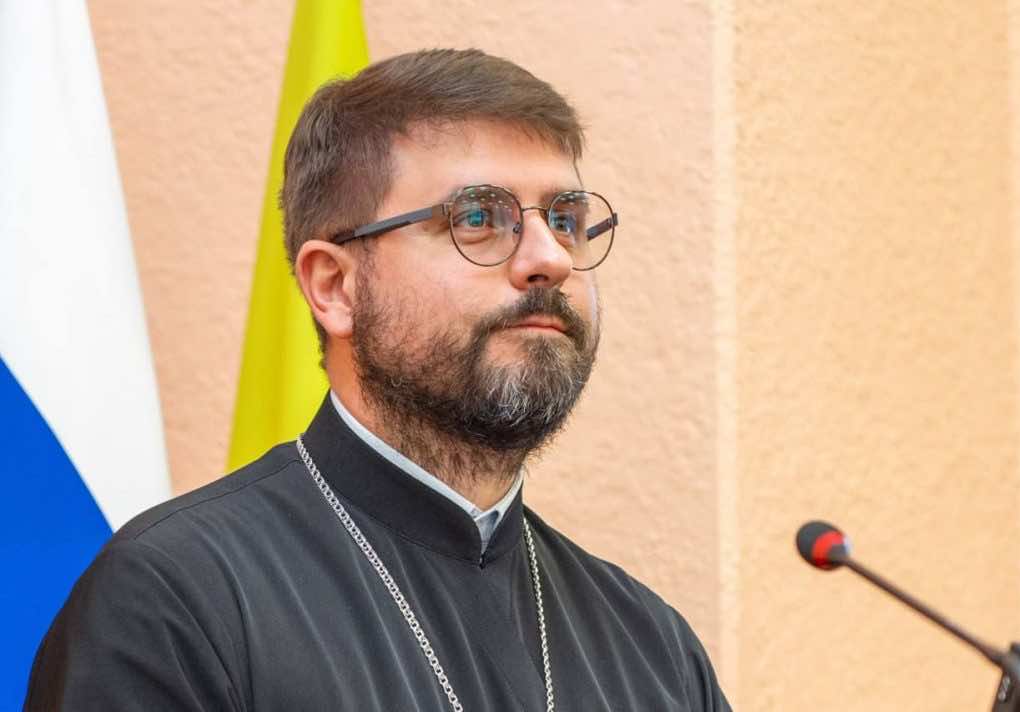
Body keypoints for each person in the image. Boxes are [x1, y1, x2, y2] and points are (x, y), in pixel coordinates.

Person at [25, 49, 731, 711]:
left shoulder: (654, 648)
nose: (549, 259)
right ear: (335, 287)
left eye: (567, 220)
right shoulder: (177, 600)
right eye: (478, 218)